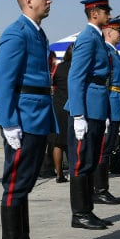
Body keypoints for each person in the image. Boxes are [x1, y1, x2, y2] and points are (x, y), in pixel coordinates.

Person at [0, 0, 58, 239]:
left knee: (26, 183)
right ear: (28, 0)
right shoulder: (16, 33)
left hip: (38, 115)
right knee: (16, 184)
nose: (49, 1)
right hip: (23, 117)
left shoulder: (37, 33)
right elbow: (3, 80)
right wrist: (9, 122)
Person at [65, 0, 113, 230]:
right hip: (86, 107)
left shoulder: (97, 37)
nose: (109, 15)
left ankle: (87, 210)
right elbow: (76, 77)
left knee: (91, 160)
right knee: (81, 162)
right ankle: (80, 213)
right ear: (94, 13)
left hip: (96, 106)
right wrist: (78, 114)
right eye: (106, 11)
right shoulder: (87, 37)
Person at [94, 17, 120, 205]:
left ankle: (101, 189)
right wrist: (104, 112)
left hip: (115, 101)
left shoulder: (113, 52)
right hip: (109, 103)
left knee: (108, 147)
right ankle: (100, 190)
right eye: (118, 31)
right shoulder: (106, 52)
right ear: (108, 32)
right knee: (103, 150)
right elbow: (104, 82)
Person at [49, 44, 73, 183]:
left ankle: (59, 174)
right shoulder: (79, 67)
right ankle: (74, 172)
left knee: (58, 143)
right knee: (72, 142)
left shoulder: (58, 67)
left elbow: (52, 83)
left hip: (58, 106)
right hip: (72, 106)